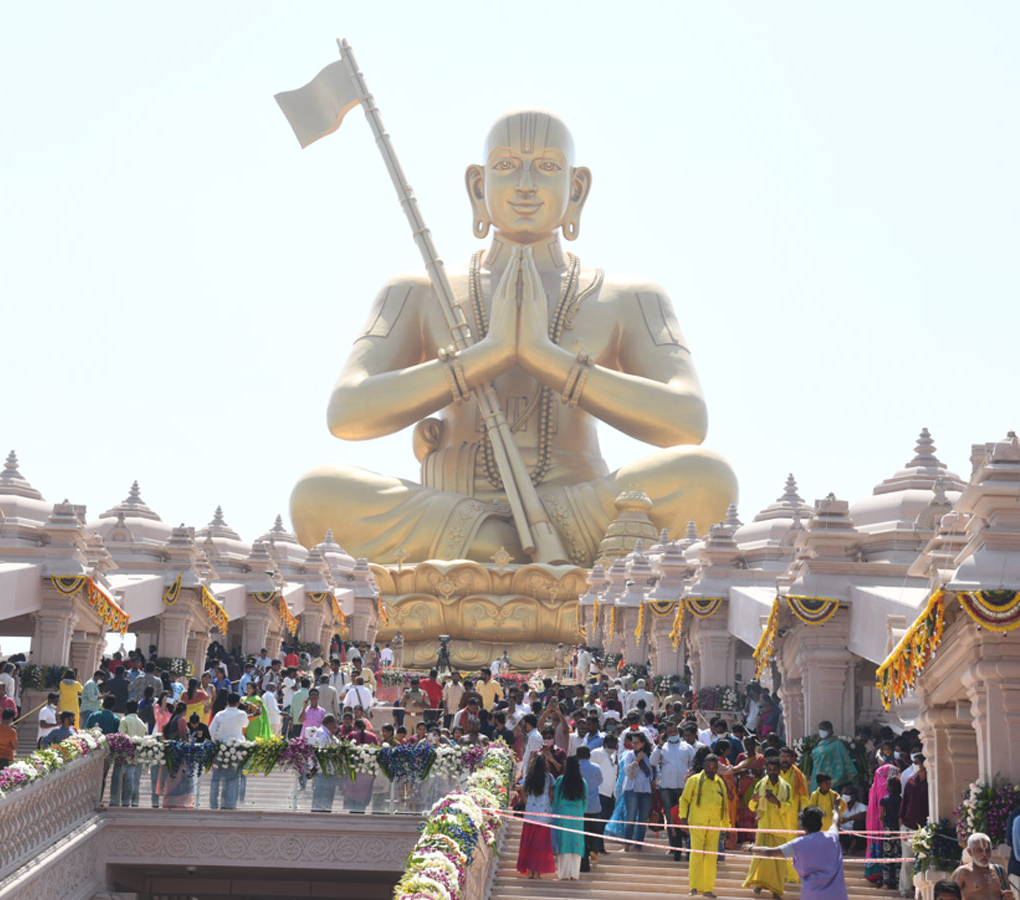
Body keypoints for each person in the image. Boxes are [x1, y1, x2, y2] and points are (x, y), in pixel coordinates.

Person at [288, 109, 736, 575]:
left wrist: (546, 358)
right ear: (478, 188)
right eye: (505, 166)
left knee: (709, 478)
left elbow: (688, 419)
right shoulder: (417, 290)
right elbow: (346, 411)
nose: (525, 183)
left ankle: (497, 552)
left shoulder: (630, 297)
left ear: (577, 187)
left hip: (580, 513)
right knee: (315, 494)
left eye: (546, 166)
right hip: (450, 510)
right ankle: (520, 550)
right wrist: (488, 355)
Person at [752, 805, 848, 900]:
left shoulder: (798, 844)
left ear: (803, 827)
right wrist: (836, 807)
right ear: (821, 824)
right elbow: (835, 822)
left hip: (812, 895)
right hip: (837, 895)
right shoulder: (832, 837)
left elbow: (770, 852)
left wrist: (751, 848)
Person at [743, 753, 794, 899]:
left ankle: (776, 891)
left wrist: (777, 802)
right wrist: (753, 801)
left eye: (774, 769)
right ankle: (758, 884)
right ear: (766, 770)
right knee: (761, 858)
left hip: (780, 829)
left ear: (779, 771)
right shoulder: (760, 784)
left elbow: (790, 808)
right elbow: (752, 807)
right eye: (769, 769)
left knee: (778, 862)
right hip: (764, 826)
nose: (772, 772)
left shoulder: (786, 787)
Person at [681, 754, 730, 898]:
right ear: (704, 765)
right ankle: (694, 887)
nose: (711, 769)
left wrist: (726, 827)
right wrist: (683, 818)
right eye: (709, 766)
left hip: (714, 826)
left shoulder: (720, 783)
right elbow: (684, 800)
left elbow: (725, 808)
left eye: (714, 767)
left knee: (711, 858)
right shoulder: (694, 780)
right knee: (696, 855)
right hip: (697, 823)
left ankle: (708, 888)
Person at [651, 722, 694, 861]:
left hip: (683, 787)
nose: (673, 734)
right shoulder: (663, 748)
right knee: (670, 817)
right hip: (667, 787)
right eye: (670, 732)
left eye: (675, 731)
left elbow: (692, 764)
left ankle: (686, 846)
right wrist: (659, 745)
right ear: (666, 734)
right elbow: (652, 761)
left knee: (684, 816)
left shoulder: (687, 747)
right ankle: (673, 846)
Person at [516, 755, 556, 878]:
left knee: (530, 843)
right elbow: (551, 795)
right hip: (543, 815)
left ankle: (529, 872)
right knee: (540, 845)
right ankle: (538, 872)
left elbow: (520, 788)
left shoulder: (528, 777)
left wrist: (526, 801)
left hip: (530, 814)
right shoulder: (549, 777)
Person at [208, 692, 249, 809]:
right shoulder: (241, 714)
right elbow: (245, 724)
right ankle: (229, 803)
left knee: (216, 777)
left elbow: (211, 731)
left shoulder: (220, 714)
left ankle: (213, 803)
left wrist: (218, 737)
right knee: (232, 777)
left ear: (227, 702)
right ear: (238, 703)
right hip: (236, 748)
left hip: (221, 747)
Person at [864, 764, 901, 888]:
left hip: (882, 830)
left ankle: (883, 880)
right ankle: (897, 882)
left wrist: (883, 826)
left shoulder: (876, 788)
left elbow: (877, 814)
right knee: (898, 857)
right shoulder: (899, 796)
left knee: (887, 856)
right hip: (897, 831)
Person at [551, 755, 588, 880]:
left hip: (563, 814)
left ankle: (564, 874)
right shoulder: (582, 782)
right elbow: (585, 801)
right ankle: (574, 874)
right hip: (577, 815)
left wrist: (557, 809)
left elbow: (556, 798)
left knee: (564, 843)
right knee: (575, 844)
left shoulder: (561, 780)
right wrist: (581, 812)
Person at [619, 730, 654, 852]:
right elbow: (629, 773)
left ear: (643, 743)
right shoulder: (630, 755)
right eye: (632, 743)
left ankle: (639, 845)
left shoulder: (650, 755)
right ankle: (627, 844)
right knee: (631, 817)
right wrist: (638, 760)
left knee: (643, 819)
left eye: (637, 743)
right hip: (631, 790)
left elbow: (654, 773)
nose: (634, 745)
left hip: (646, 791)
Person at [954, 833, 1015, 900]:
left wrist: (1010, 897)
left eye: (987, 850)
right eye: (980, 850)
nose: (984, 854)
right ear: (970, 852)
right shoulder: (962, 872)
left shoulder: (999, 871)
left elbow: (1010, 896)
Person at [113, 699, 148, 807]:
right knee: (135, 779)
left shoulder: (124, 720)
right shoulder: (142, 723)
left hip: (127, 753)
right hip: (139, 754)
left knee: (127, 778)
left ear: (127, 709)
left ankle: (125, 801)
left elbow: (121, 736)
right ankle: (135, 801)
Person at [808, 721, 855, 792]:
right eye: (820, 729)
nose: (821, 731)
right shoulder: (818, 744)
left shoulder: (837, 744)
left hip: (831, 780)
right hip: (816, 779)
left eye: (823, 729)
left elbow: (844, 760)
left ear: (829, 730)